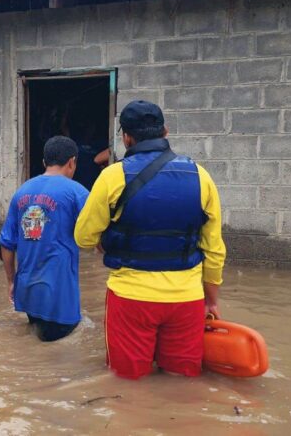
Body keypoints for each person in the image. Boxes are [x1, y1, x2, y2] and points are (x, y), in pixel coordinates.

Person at [74, 100, 226, 379]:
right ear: (165, 131)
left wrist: (103, 242)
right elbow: (214, 249)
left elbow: (83, 237)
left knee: (128, 383)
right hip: (187, 300)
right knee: (182, 382)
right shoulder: (201, 177)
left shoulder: (112, 177)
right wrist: (211, 300)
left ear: (126, 137)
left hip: (131, 298)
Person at [0, 136, 89, 341]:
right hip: (60, 297)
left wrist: (11, 281)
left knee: (37, 343)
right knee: (61, 357)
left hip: (28, 292)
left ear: (44, 162)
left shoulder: (21, 191)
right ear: (72, 162)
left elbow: (6, 243)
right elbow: (97, 235)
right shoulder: (77, 192)